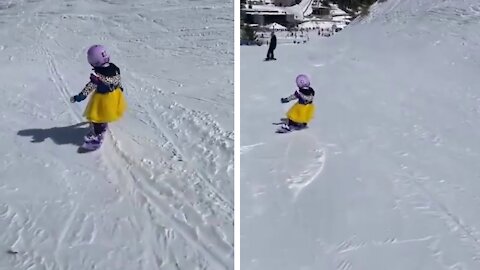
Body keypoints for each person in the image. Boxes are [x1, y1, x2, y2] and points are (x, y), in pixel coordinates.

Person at [70, 44, 127, 145]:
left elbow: (90, 86)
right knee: (105, 113)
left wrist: (81, 96)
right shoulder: (114, 68)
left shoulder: (98, 76)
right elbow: (117, 79)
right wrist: (120, 87)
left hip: (103, 99)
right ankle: (101, 125)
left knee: (97, 116)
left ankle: (98, 134)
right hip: (115, 95)